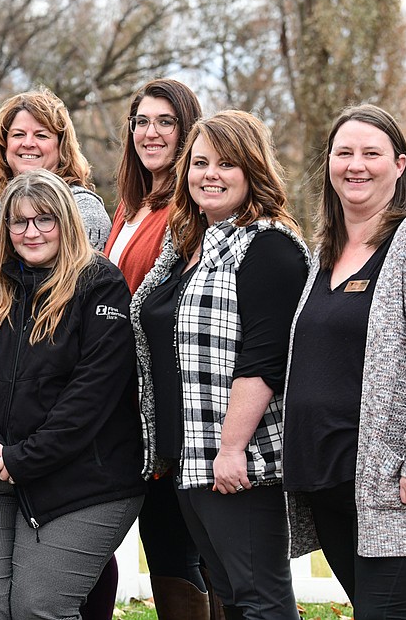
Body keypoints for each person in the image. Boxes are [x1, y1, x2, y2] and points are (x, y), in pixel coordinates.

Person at [284, 104, 406, 620]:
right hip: (331, 481)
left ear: (399, 164)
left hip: (401, 484)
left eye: (371, 153)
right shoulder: (326, 249)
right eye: (343, 152)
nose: (356, 165)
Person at [0, 169, 146, 620]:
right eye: (19, 222)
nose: (31, 232)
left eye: (44, 220)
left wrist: (24, 458)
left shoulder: (100, 284)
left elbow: (93, 393)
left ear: (66, 222)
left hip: (82, 477)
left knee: (39, 608)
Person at [129, 110, 308, 620]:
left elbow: (264, 360)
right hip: (190, 459)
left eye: (226, 164)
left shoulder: (269, 246)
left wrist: (231, 450)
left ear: (253, 170)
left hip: (237, 464)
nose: (210, 174)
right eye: (200, 162)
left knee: (260, 599)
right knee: (230, 596)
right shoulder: (195, 244)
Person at [102, 79, 209, 619]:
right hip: (125, 394)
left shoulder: (188, 209)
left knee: (181, 539)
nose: (151, 132)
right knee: (163, 538)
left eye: (165, 121)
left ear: (187, 129)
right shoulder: (129, 205)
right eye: (141, 121)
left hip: (172, 398)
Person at [0, 87, 111, 249]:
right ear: (4, 145)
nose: (28, 143)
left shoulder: (83, 209)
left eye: (41, 135)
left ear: (61, 147)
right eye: (18, 134)